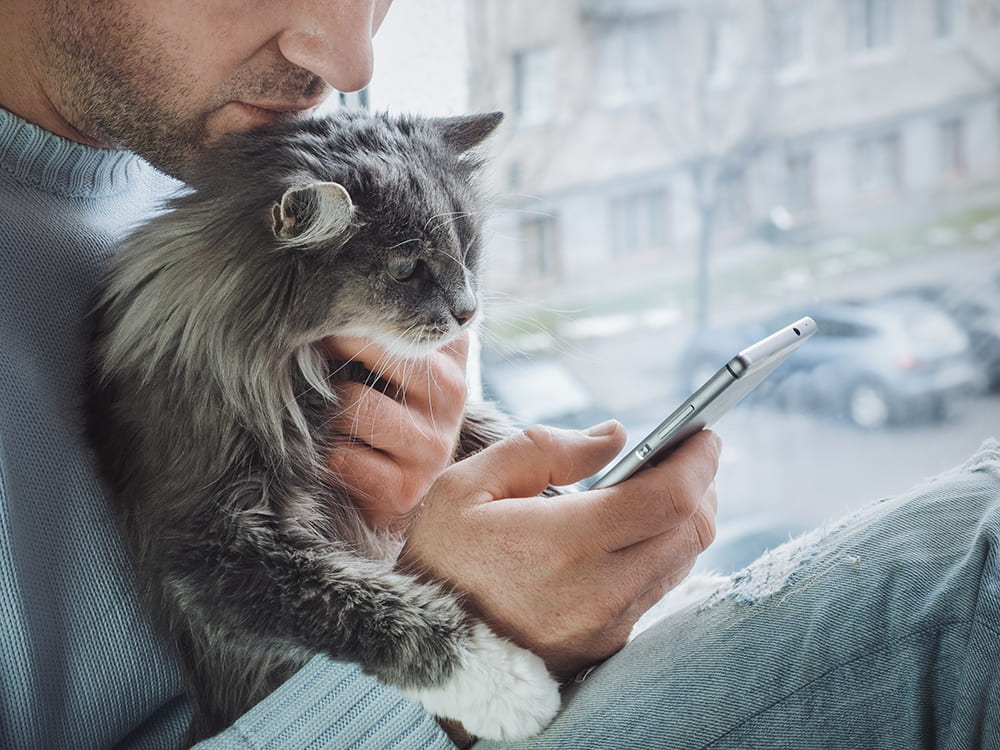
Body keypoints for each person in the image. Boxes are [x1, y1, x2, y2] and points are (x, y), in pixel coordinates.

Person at [0, 2, 996, 749]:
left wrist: (432, 471)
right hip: (410, 703)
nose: (348, 58)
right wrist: (442, 654)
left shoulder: (214, 123)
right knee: (966, 576)